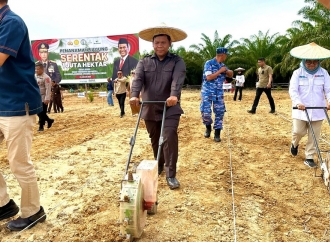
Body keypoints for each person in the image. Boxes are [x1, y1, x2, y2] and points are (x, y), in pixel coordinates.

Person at [0, 0, 46, 231]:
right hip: (1, 103)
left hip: (18, 104)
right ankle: (3, 204)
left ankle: (33, 211)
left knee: (19, 162)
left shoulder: (11, 23)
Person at [130, 24, 187, 190]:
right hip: (149, 108)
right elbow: (138, 79)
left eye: (163, 42)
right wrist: (134, 95)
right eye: (157, 43)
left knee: (168, 136)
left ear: (169, 44)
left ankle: (171, 174)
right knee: (155, 140)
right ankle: (159, 164)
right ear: (153, 44)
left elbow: (178, 79)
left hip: (170, 107)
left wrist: (174, 95)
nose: (160, 45)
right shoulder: (144, 61)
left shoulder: (177, 61)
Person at [289, 42, 330, 168]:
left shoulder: (324, 73)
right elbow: (293, 90)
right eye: (309, 62)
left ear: (318, 62)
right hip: (300, 109)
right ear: (304, 61)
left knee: (314, 135)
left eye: (314, 62)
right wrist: (298, 102)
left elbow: (328, 89)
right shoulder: (297, 73)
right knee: (298, 131)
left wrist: (329, 101)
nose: (311, 64)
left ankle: (309, 157)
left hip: (318, 109)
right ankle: (294, 144)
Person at [201, 47, 233, 142]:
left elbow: (230, 74)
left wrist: (227, 71)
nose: (226, 57)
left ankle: (217, 133)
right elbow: (209, 77)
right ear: (223, 55)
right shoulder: (209, 63)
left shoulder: (223, 65)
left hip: (218, 93)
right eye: (226, 55)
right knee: (205, 112)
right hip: (207, 92)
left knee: (220, 112)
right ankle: (208, 127)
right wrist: (220, 71)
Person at [35, 62, 54, 131]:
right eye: (36, 69)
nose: (36, 71)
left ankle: (41, 126)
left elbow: (48, 89)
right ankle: (49, 120)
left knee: (42, 112)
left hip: (43, 97)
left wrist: (47, 99)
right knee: (38, 112)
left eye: (38, 69)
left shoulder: (46, 78)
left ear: (42, 69)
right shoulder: (35, 76)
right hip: (37, 97)